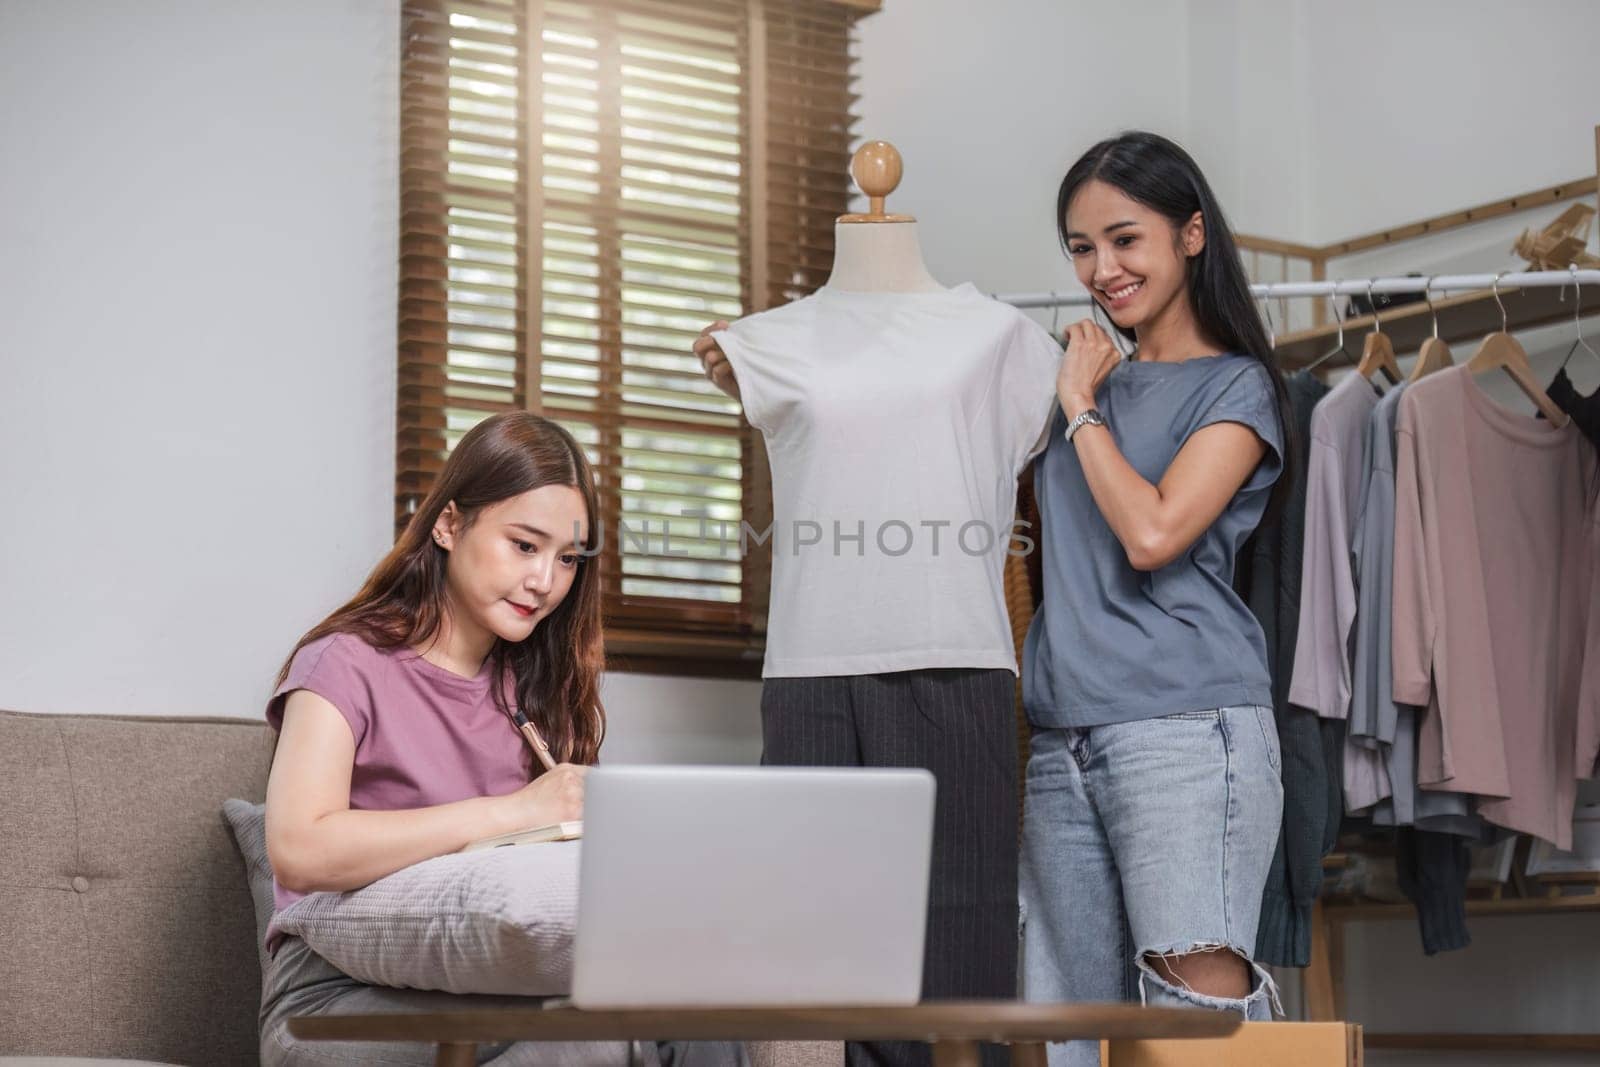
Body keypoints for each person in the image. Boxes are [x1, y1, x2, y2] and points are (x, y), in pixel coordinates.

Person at [258, 410, 744, 1067]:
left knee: (700, 1005)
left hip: (498, 983)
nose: (546, 580)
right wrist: (516, 811)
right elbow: (299, 849)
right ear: (450, 523)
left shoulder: (542, 690)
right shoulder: (344, 661)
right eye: (525, 544)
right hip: (336, 992)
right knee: (594, 1046)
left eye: (567, 558)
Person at [1019, 131, 1293, 1067]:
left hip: (1189, 731)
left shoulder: (1235, 385)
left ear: (1190, 234)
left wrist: (1084, 409)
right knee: (1067, 1028)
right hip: (1063, 740)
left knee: (1195, 1029)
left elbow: (1154, 532)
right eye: (1081, 247)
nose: (1103, 268)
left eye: (1124, 239)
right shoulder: (1080, 381)